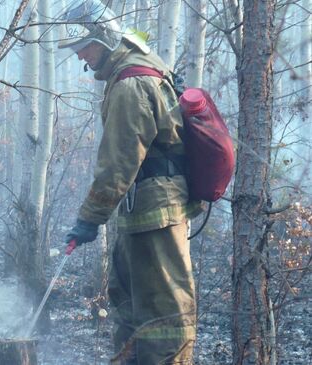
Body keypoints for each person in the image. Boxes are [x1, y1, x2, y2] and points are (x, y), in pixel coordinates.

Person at [58, 1, 203, 364]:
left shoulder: (131, 84)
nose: (80, 58)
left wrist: (89, 218)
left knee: (164, 315)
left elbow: (118, 163)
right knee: (129, 306)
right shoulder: (138, 70)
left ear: (103, 39)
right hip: (144, 211)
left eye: (82, 48)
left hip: (157, 212)